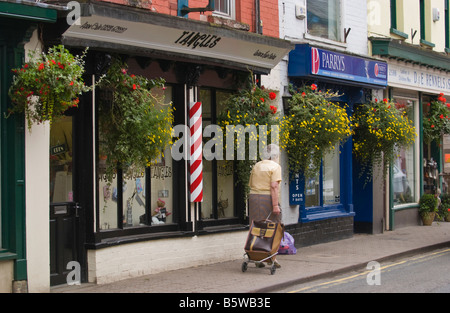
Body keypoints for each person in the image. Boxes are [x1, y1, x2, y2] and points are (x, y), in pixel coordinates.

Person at [248, 143, 282, 268]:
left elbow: (251, 184)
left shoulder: (256, 165)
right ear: (275, 155)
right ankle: (272, 257)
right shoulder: (275, 167)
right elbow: (274, 186)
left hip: (253, 198)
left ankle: (256, 256)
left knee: (256, 227)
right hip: (267, 198)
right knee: (273, 227)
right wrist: (275, 205)